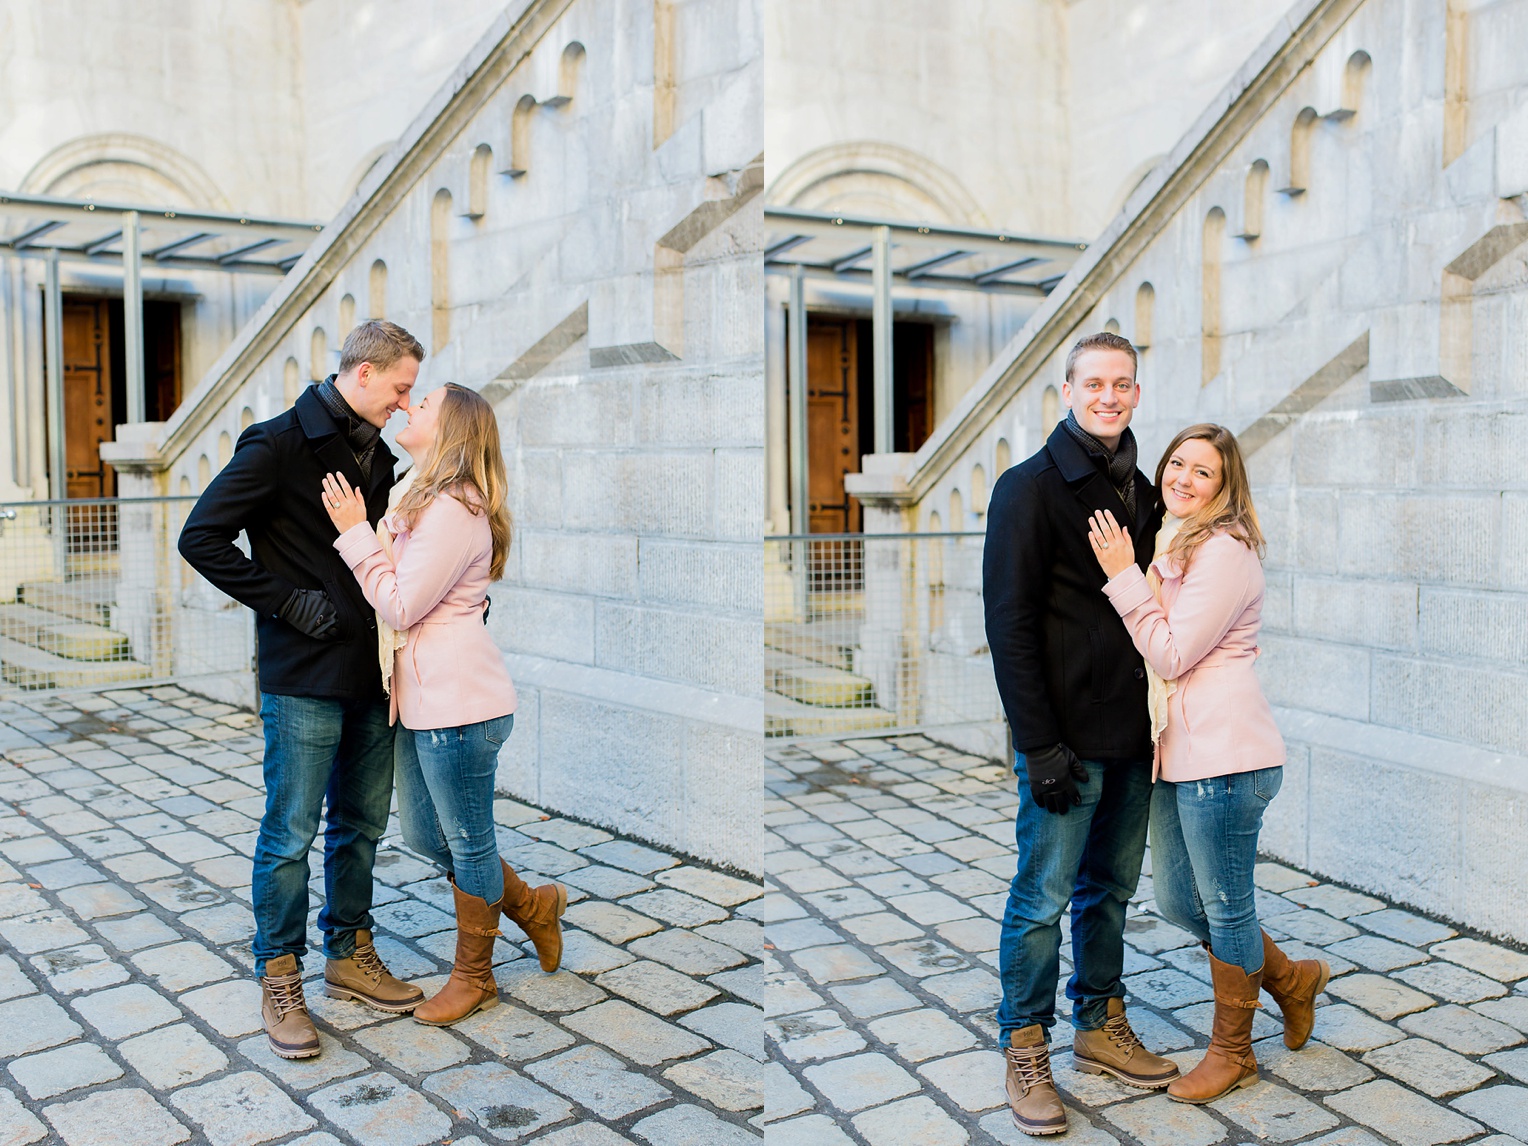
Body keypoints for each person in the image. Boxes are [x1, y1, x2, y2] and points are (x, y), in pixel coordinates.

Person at [178, 321, 427, 1059]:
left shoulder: (379, 453)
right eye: (401, 387)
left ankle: (349, 954)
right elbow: (202, 538)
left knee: (363, 824)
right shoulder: (276, 441)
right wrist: (285, 601)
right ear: (362, 375)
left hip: (372, 670)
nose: (407, 403)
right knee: (290, 834)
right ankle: (279, 973)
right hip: (302, 675)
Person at [1087, 423, 1328, 1103]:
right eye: (1178, 464)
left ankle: (1234, 1054)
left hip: (1225, 757)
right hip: (1182, 753)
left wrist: (1121, 577)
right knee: (1179, 901)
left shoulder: (1223, 551)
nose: (1184, 479)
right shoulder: (1176, 541)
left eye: (1204, 473)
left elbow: (1170, 654)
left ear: (1226, 489)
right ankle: (1289, 980)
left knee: (1224, 907)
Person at [321, 382, 566, 1027]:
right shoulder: (422, 497)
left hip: (459, 704)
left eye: (421, 404)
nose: (407, 406)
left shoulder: (456, 509)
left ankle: (475, 978)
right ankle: (534, 907)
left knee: (468, 841)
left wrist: (353, 535)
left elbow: (401, 604)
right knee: (428, 836)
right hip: (421, 700)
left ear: (452, 429)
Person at [983, 331, 1179, 1137]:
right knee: (1041, 898)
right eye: (1094, 382)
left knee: (1112, 893)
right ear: (1066, 389)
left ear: (1135, 392)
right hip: (1063, 741)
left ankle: (1099, 1025)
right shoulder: (1026, 488)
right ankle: (1025, 1044)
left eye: (1122, 383)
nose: (1109, 395)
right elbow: (1010, 624)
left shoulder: (1150, 487)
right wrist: (1037, 746)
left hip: (1133, 735)